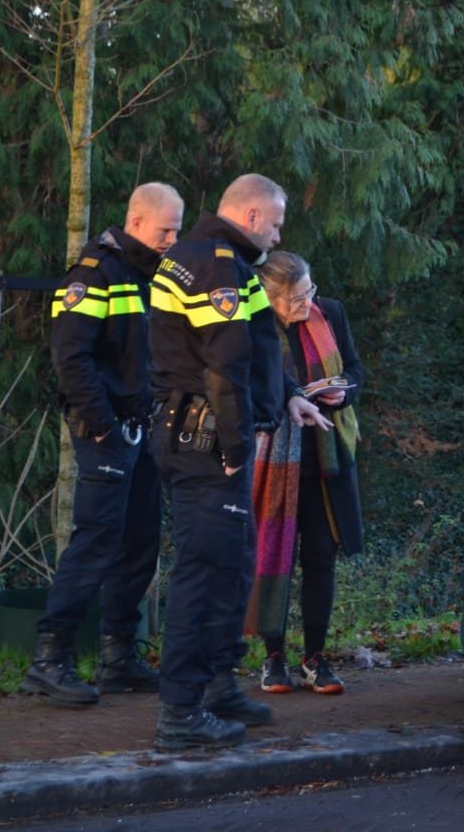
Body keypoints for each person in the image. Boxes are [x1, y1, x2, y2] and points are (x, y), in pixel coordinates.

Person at [147, 174, 326, 750]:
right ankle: (181, 712)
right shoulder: (218, 265)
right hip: (206, 444)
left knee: (234, 564)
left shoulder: (204, 257)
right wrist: (233, 450)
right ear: (250, 216)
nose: (278, 233)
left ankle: (219, 683)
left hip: (199, 436)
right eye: (274, 222)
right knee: (206, 573)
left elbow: (253, 356)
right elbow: (223, 367)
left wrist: (288, 397)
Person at [25, 182, 184, 706]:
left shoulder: (154, 276)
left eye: (178, 229)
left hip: (143, 427)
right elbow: (71, 357)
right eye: (166, 229)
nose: (173, 239)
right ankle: (50, 658)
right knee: (96, 540)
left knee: (140, 542)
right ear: (136, 222)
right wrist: (99, 425)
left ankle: (119, 655)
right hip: (106, 429)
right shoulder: (94, 273)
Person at [245, 251, 365, 696]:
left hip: (326, 454)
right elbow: (249, 381)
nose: (306, 303)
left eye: (309, 291)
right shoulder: (252, 321)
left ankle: (315, 655)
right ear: (271, 298)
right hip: (273, 457)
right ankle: (272, 656)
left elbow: (354, 369)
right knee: (271, 554)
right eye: (296, 298)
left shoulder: (329, 312)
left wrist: (343, 391)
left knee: (320, 556)